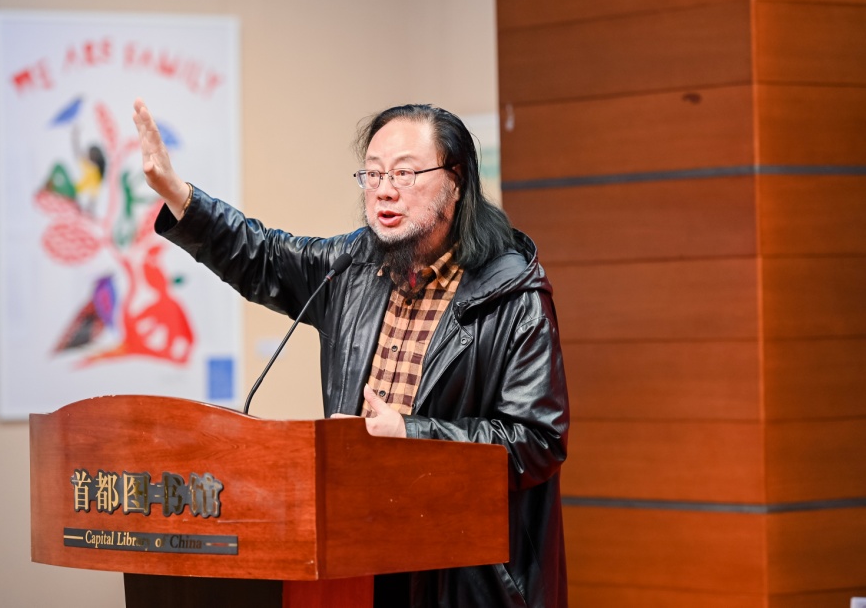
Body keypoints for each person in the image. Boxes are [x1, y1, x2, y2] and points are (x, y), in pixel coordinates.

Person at [132, 98, 569, 608]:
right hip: (360, 559)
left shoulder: (513, 295)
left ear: (456, 182)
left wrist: (410, 434)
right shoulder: (351, 266)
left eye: (405, 173)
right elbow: (262, 256)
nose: (384, 189)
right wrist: (177, 193)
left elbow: (537, 441)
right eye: (373, 173)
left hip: (463, 579)